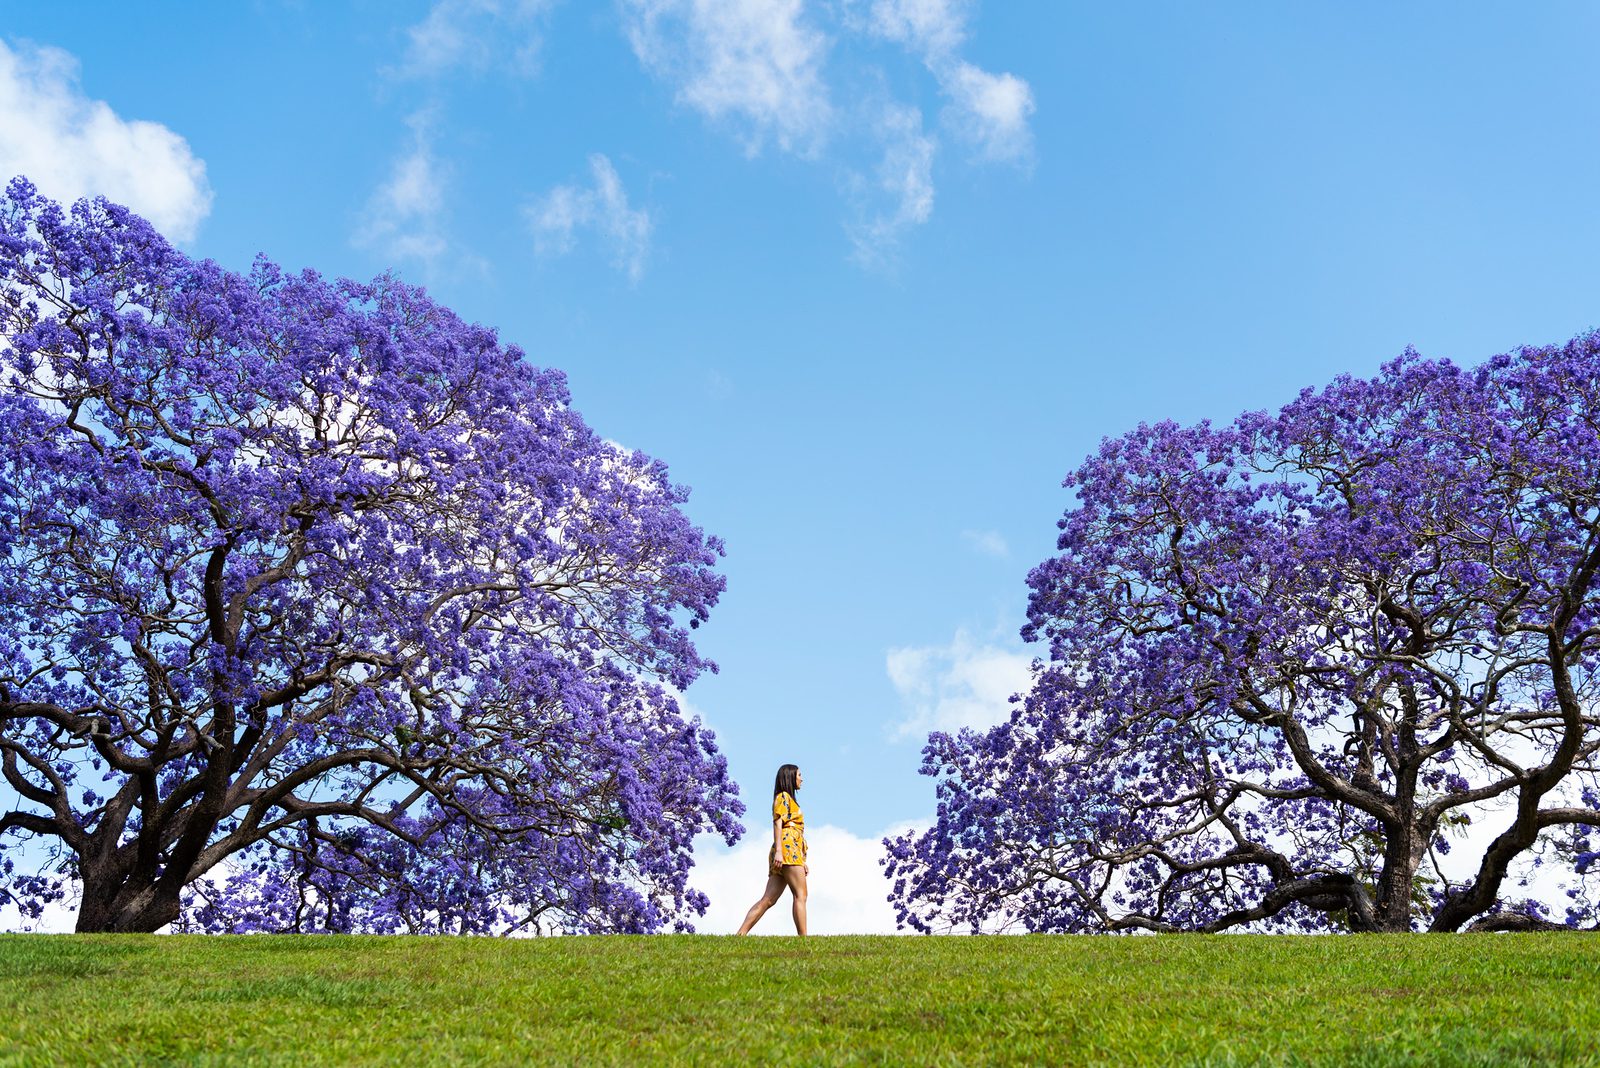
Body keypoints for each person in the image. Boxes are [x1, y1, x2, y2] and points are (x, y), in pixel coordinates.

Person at [736, 763, 808, 935]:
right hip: (787, 848)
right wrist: (780, 852)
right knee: (801, 895)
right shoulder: (783, 796)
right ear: (790, 777)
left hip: (789, 849)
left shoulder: (787, 799)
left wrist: (802, 860)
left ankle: (740, 935)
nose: (802, 779)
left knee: (768, 899)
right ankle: (804, 940)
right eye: (799, 775)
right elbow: (778, 823)